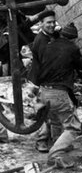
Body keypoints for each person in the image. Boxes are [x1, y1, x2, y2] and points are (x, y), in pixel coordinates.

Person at [30, 22, 82, 168]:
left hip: (43, 91)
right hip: (58, 92)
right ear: (73, 39)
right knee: (74, 127)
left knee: (55, 120)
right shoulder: (71, 47)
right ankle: (56, 154)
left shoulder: (49, 45)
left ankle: (56, 143)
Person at [28, 10, 60, 152]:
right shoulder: (40, 41)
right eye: (48, 23)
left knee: (52, 110)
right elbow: (46, 65)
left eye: (53, 22)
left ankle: (54, 139)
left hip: (50, 80)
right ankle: (42, 141)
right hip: (41, 81)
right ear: (41, 24)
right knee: (44, 111)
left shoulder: (50, 36)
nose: (52, 25)